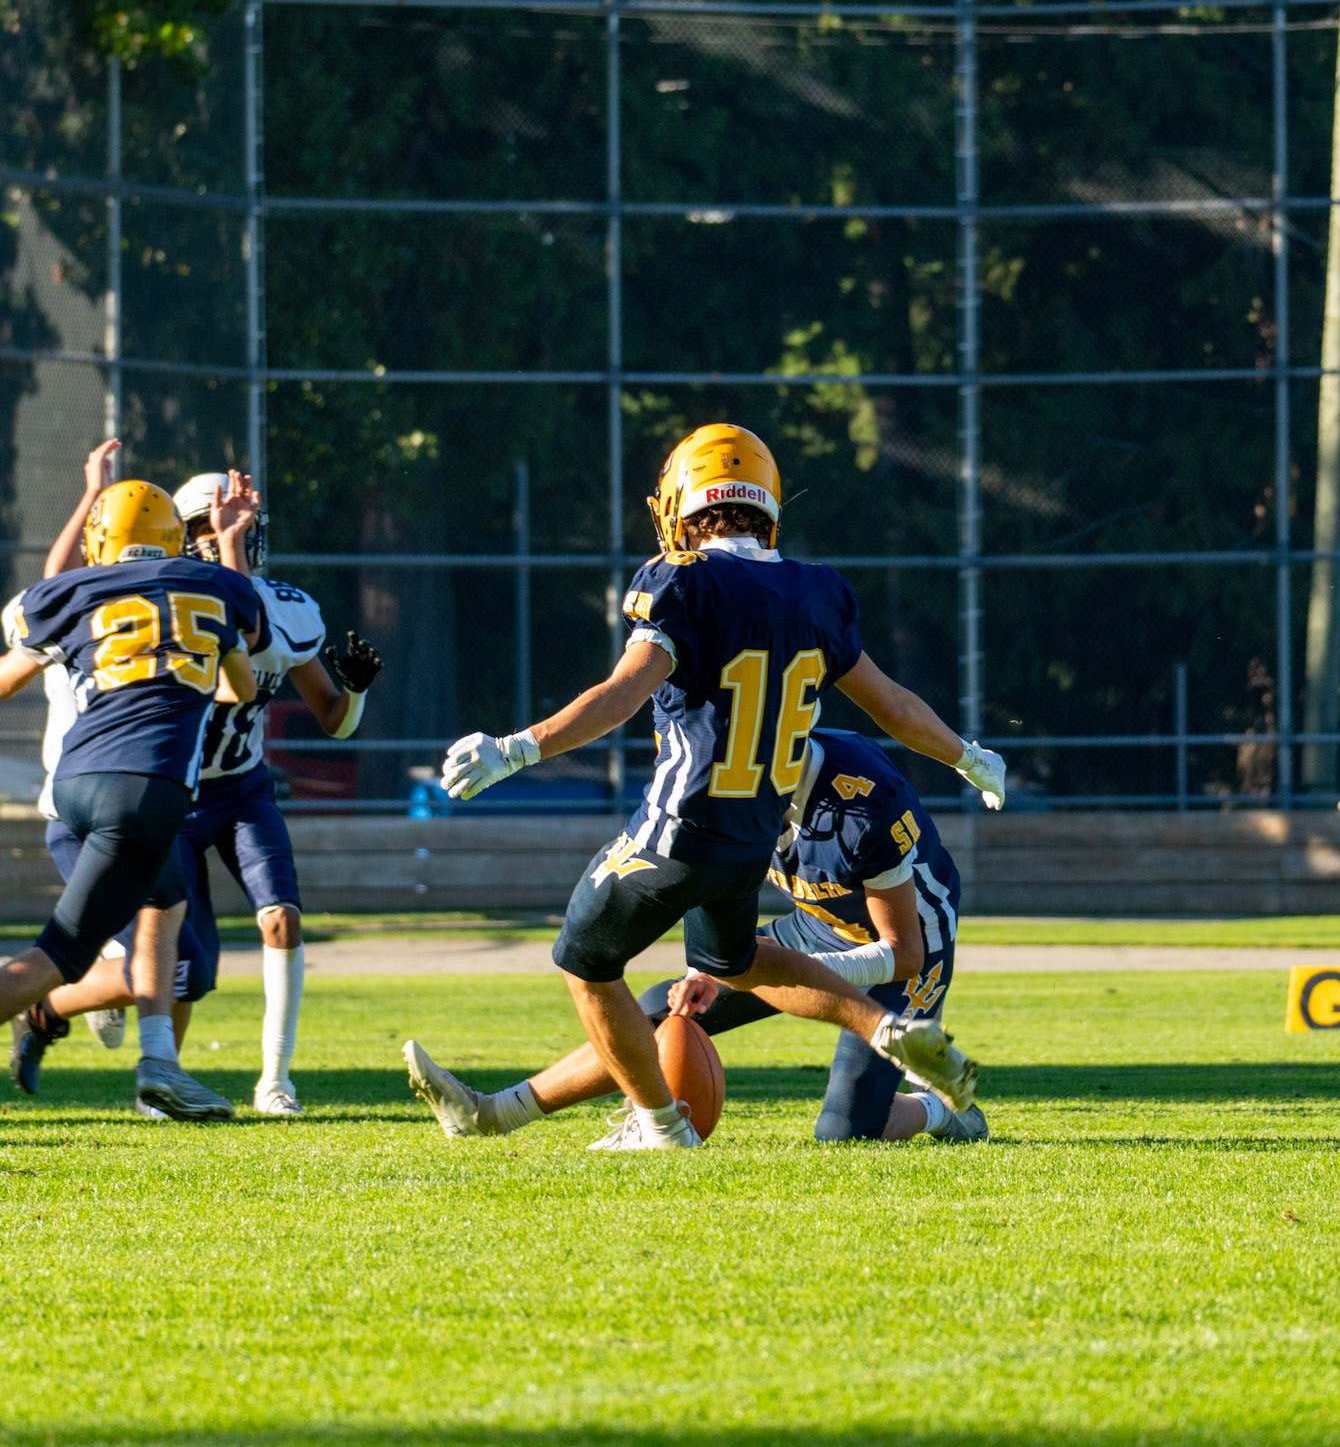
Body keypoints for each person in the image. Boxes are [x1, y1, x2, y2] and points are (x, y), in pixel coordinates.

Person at [425, 423, 1005, 1151]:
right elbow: (893, 706)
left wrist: (517, 748)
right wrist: (967, 757)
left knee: (585, 959)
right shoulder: (818, 592)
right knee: (733, 965)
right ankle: (882, 1027)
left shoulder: (682, 581)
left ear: (681, 506)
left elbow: (622, 694)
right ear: (766, 507)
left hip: (684, 825)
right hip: (749, 838)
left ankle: (661, 1125)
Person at [407, 724, 986, 1146]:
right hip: (815, 925)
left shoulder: (864, 803)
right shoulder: (730, 791)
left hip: (908, 945)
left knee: (848, 1131)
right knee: (664, 1008)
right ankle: (494, 1113)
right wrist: (711, 967)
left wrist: (773, 970)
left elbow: (903, 952)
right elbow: (718, 894)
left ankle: (941, 1110)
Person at [0, 475, 261, 1120]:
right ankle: (153, 1063)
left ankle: (160, 1064)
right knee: (61, 955)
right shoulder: (215, 588)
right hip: (146, 791)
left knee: (165, 902)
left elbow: (8, 674)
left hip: (75, 784)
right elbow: (242, 687)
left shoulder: (74, 592)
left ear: (102, 541)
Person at [170, 470, 384, 1116]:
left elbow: (334, 720)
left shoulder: (287, 607)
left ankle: (275, 1081)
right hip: (171, 795)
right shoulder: (167, 604)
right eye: (203, 529)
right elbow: (237, 627)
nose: (216, 538)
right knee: (185, 956)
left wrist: (357, 691)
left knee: (283, 919)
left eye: (228, 527)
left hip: (241, 788)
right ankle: (163, 1073)